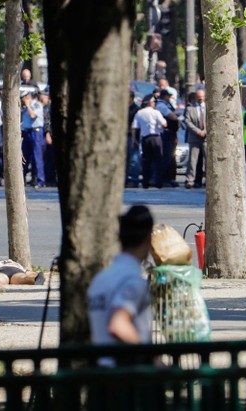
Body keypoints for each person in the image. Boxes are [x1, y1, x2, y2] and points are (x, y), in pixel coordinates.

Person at [88, 204, 154, 348]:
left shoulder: (100, 279)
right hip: (126, 366)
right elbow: (118, 325)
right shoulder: (132, 280)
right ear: (149, 240)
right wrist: (149, 358)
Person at [131, 94, 167, 189]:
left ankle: (145, 182)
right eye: (154, 102)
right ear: (151, 103)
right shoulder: (156, 113)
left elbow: (134, 127)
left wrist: (134, 139)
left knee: (146, 161)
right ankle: (158, 182)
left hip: (145, 138)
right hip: (156, 138)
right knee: (158, 161)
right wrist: (159, 126)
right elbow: (164, 124)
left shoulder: (140, 113)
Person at [20, 90, 46, 188]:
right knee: (24, 157)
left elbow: (33, 116)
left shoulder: (37, 105)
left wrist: (27, 106)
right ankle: (22, 179)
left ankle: (40, 181)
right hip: (26, 132)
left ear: (28, 98)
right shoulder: (24, 108)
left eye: (23, 100)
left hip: (36, 132)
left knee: (37, 157)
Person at [155, 89, 180, 187]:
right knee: (167, 157)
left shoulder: (166, 105)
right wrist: (177, 115)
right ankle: (164, 179)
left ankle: (168, 178)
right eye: (168, 96)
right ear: (164, 97)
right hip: (166, 135)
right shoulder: (161, 106)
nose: (169, 98)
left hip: (170, 134)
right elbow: (173, 116)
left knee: (170, 157)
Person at [183, 91, 207, 188]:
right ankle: (190, 180)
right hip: (194, 137)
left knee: (208, 160)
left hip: (206, 137)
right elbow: (187, 122)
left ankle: (208, 180)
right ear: (195, 97)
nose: (200, 98)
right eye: (199, 97)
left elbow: (212, 120)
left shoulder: (208, 108)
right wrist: (197, 131)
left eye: (202, 96)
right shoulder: (190, 108)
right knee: (193, 161)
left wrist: (205, 131)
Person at [40, 88, 57, 187]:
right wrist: (47, 133)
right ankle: (50, 179)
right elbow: (47, 121)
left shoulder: (49, 106)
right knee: (49, 158)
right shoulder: (48, 107)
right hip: (51, 134)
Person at [125, 90, 142, 188]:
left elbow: (136, 126)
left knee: (134, 160)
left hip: (132, 137)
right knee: (125, 160)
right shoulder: (123, 109)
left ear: (131, 98)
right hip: (124, 136)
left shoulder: (136, 109)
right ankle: (125, 180)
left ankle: (134, 180)